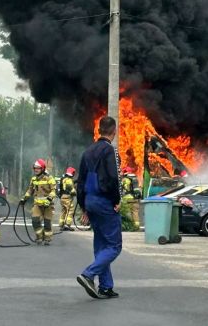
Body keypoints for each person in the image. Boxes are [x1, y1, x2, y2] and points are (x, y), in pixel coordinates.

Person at [76, 116, 122, 299]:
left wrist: (83, 206)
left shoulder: (87, 152)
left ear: (99, 130)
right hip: (104, 201)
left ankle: (106, 286)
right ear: (114, 131)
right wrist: (116, 200)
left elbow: (80, 182)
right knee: (114, 245)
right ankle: (88, 274)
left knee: (101, 244)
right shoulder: (109, 151)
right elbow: (113, 179)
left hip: (90, 201)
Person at [20, 159, 56, 245]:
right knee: (35, 221)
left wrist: (49, 199)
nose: (36, 170)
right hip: (37, 205)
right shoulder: (33, 179)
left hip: (48, 205)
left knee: (47, 223)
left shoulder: (49, 178)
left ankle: (47, 238)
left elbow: (54, 190)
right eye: (34, 168)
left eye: (38, 168)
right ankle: (39, 237)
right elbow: (30, 190)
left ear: (43, 169)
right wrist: (24, 199)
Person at [58, 167, 77, 231]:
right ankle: (67, 225)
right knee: (70, 209)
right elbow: (70, 188)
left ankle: (61, 224)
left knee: (64, 210)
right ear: (72, 173)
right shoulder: (68, 180)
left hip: (62, 197)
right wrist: (75, 192)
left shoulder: (63, 179)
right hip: (67, 197)